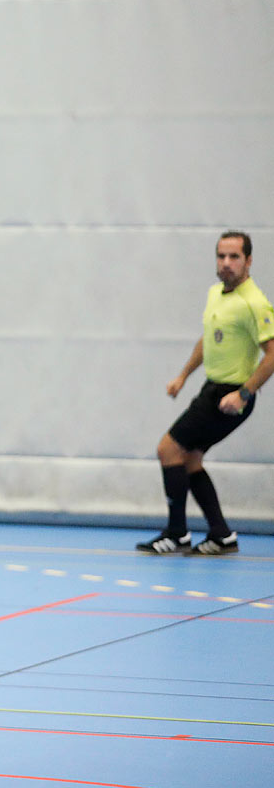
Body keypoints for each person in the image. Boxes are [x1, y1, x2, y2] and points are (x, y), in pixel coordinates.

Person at [137, 230, 274, 556]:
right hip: (211, 389)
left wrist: (244, 393)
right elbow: (208, 339)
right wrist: (183, 375)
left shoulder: (254, 302)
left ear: (248, 261)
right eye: (221, 256)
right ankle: (221, 534)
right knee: (190, 459)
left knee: (167, 450)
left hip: (230, 396)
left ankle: (177, 533)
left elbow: (272, 354)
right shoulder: (216, 294)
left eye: (234, 257)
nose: (226, 263)